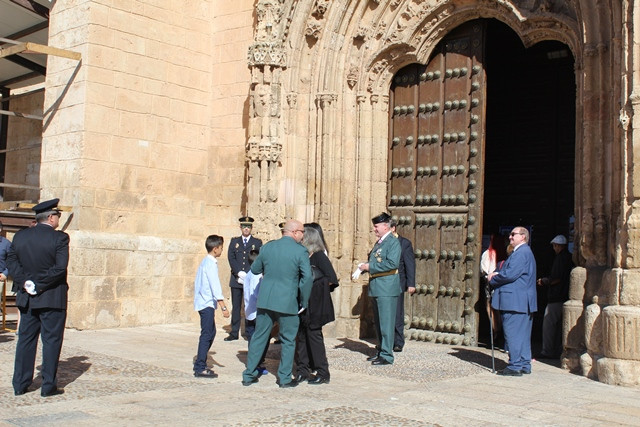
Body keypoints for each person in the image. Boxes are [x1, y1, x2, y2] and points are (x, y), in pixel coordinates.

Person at [241, 219, 313, 388]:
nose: (303, 236)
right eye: (302, 232)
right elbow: (307, 278)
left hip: (266, 300)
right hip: (287, 302)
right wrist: (304, 300)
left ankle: (249, 374)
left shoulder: (268, 247)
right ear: (295, 232)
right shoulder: (300, 251)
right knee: (288, 340)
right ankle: (284, 378)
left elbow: (255, 269)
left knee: (259, 337)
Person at [9, 198, 69, 397]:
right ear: (51, 218)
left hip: (27, 297)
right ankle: (48, 385)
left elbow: (13, 263)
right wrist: (40, 285)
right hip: (51, 297)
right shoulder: (59, 238)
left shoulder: (20, 237)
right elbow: (60, 268)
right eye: (57, 216)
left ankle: (20, 384)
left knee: (25, 340)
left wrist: (27, 283)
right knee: (51, 340)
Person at [488, 226, 537, 376]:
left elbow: (510, 275)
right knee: (522, 335)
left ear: (523, 236)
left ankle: (515, 366)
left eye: (513, 234)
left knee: (514, 334)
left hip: (515, 301)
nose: (510, 237)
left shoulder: (521, 253)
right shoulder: (524, 252)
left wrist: (493, 278)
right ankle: (523, 363)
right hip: (521, 301)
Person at [354, 212, 402, 365]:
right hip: (378, 287)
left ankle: (387, 355)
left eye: (376, 226)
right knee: (380, 322)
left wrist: (370, 266)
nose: (374, 229)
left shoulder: (393, 242)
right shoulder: (381, 242)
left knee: (386, 323)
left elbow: (392, 264)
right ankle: (381, 350)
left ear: (385, 226)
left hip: (386, 288)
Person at [295, 225, 338, 385]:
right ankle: (302, 370)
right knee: (301, 337)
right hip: (303, 303)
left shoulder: (319, 256)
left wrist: (317, 284)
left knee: (314, 337)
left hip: (316, 304)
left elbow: (332, 279)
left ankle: (322, 372)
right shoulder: (304, 255)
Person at [193, 235, 229, 378]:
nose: (221, 250)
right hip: (206, 303)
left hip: (203, 302)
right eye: (221, 247)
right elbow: (215, 285)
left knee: (210, 333)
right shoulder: (210, 263)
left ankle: (201, 362)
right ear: (215, 249)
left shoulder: (205, 262)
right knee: (207, 334)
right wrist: (223, 306)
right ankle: (200, 367)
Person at [536, 234, 574, 359]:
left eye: (554, 246)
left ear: (558, 246)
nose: (553, 248)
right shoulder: (569, 257)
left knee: (549, 325)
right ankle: (558, 350)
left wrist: (545, 281)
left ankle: (547, 351)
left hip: (556, 297)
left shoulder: (560, 259)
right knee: (558, 327)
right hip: (564, 296)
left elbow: (557, 278)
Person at [226, 216, 263, 341]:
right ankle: (234, 332)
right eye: (244, 226)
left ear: (251, 228)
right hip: (237, 279)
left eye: (248, 227)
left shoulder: (257, 243)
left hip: (250, 278)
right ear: (240, 227)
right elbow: (231, 258)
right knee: (236, 306)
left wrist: (248, 274)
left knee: (249, 305)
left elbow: (258, 259)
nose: (246, 229)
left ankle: (249, 332)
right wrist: (238, 273)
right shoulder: (234, 242)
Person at [389, 219, 415, 352]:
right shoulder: (381, 243)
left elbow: (409, 263)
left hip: (398, 282)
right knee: (387, 314)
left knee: (397, 313)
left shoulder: (404, 243)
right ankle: (387, 341)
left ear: (393, 228)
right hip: (386, 282)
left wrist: (411, 283)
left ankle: (398, 341)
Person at [242, 249, 269, 375]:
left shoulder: (248, 274)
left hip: (249, 311)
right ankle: (257, 363)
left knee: (252, 337)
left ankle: (253, 362)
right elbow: (258, 294)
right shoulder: (258, 276)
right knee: (258, 339)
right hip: (257, 312)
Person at [480, 233, 508, 346]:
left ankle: (496, 332)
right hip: (503, 285)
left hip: (491, 284)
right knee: (500, 309)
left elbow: (483, 270)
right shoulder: (506, 255)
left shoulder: (488, 253)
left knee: (490, 308)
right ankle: (500, 332)